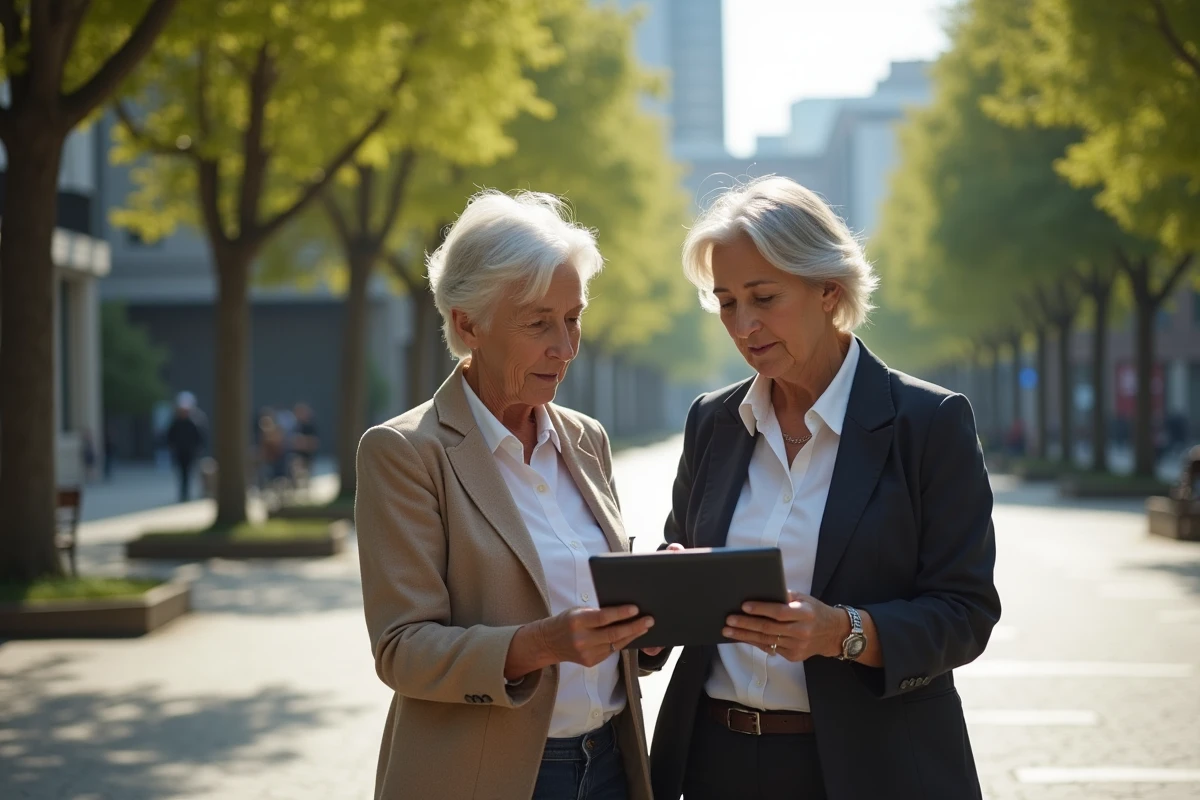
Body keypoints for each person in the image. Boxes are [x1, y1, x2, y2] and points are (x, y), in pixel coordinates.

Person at [645, 176, 1001, 800]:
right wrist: (652, 610)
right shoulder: (712, 421)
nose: (744, 325)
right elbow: (683, 576)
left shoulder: (929, 423)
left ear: (829, 290)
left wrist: (842, 631)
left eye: (764, 297)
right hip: (712, 763)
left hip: (871, 769)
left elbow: (965, 613)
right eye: (726, 303)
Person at [354, 190, 655, 800]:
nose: (565, 347)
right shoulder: (404, 452)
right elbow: (401, 649)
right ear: (468, 324)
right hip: (486, 777)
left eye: (573, 318)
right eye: (538, 323)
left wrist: (652, 612)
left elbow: (595, 614)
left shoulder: (587, 439)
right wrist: (540, 645)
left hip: (612, 767)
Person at [165, 392, 206, 503]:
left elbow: (200, 437)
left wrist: (198, 448)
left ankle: (187, 493)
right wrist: (171, 446)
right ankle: (183, 493)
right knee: (181, 473)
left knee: (189, 473)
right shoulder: (175, 422)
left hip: (190, 452)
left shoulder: (195, 422)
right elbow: (169, 436)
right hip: (179, 452)